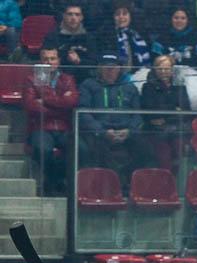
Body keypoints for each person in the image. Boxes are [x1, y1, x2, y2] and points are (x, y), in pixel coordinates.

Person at [78, 54, 148, 185]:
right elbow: (83, 113)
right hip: (99, 132)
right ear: (99, 68)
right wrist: (101, 131)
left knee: (145, 148)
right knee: (97, 150)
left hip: (125, 130)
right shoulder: (88, 85)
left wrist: (129, 131)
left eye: (114, 68)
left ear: (119, 69)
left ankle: (137, 185)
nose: (110, 71)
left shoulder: (129, 87)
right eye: (106, 67)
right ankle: (116, 185)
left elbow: (138, 114)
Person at [23, 44, 78, 194]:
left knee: (81, 149)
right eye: (45, 59)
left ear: (58, 61)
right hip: (41, 126)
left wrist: (45, 100)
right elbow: (31, 106)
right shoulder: (31, 79)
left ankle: (55, 180)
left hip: (64, 127)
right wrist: (60, 103)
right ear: (40, 61)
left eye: (53, 58)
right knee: (43, 149)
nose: (49, 62)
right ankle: (55, 182)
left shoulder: (68, 79)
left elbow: (72, 102)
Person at [140, 54, 191, 172]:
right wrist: (174, 109)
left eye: (167, 69)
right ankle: (166, 180)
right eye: (160, 69)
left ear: (172, 69)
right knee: (164, 156)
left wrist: (165, 116)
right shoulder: (148, 87)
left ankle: (177, 180)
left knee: (179, 152)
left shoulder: (179, 86)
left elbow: (186, 109)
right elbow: (151, 111)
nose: (163, 72)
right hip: (156, 131)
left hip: (177, 128)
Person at [43, 4, 97, 82]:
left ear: (81, 17)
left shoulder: (89, 37)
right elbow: (46, 59)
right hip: (58, 78)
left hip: (84, 78)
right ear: (64, 16)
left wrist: (79, 61)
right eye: (70, 14)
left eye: (77, 15)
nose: (73, 18)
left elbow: (94, 62)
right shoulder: (52, 36)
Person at [104, 0, 150, 74]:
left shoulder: (139, 34)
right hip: (117, 75)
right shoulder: (106, 36)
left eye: (125, 14)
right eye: (117, 14)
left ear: (130, 16)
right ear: (113, 17)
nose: (121, 17)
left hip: (141, 74)